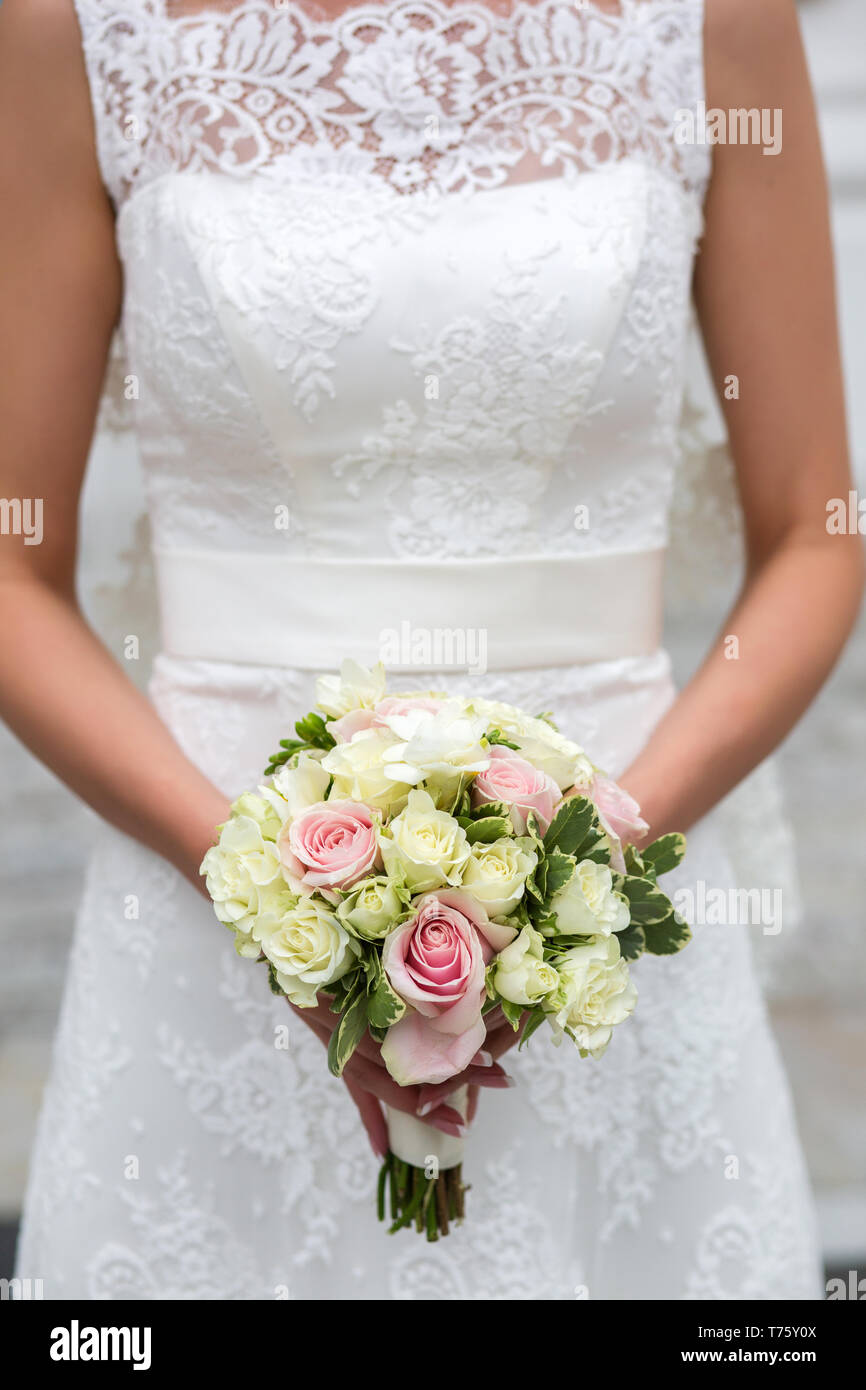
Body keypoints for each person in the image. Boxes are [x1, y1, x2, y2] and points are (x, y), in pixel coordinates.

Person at [3, 0, 861, 1299]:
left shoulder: (714, 23)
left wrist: (588, 866)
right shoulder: (76, 29)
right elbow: (13, 571)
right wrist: (261, 891)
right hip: (207, 922)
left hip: (606, 912)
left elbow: (817, 531)